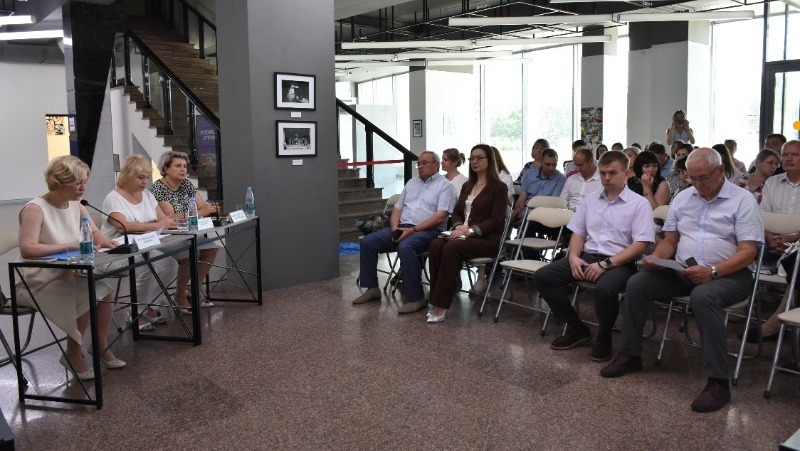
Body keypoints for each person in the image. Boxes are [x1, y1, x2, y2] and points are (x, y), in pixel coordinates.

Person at [601, 148, 763, 413]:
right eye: (692, 178)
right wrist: (656, 258)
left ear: (721, 171)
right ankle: (630, 354)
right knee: (637, 283)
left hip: (730, 274)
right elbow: (671, 241)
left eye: (703, 178)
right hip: (685, 270)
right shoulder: (684, 198)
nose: (697, 185)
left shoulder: (742, 200)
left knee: (704, 296)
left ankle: (718, 382)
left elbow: (748, 252)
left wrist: (713, 271)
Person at [532, 151, 654, 361]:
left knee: (605, 289)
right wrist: (573, 257)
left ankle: (604, 336)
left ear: (627, 173)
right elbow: (579, 233)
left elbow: (641, 245)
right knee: (543, 276)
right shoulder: (591, 200)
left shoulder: (639, 203)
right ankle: (576, 328)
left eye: (612, 173)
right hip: (587, 257)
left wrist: (606, 264)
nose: (607, 178)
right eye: (603, 173)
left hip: (620, 262)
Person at [17, 156, 126, 379]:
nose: (83, 188)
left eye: (84, 182)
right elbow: (28, 249)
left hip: (67, 272)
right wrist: (68, 246)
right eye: (77, 183)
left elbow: (94, 232)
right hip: (37, 278)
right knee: (87, 292)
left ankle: (99, 345)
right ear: (59, 182)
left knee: (104, 291)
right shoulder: (35, 208)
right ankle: (72, 355)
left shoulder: (76, 205)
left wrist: (104, 241)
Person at [352, 151, 456, 313]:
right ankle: (372, 288)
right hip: (402, 227)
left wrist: (413, 230)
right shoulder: (411, 183)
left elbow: (440, 217)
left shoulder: (446, 186)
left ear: (436, 165)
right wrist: (395, 229)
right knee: (367, 242)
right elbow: (397, 209)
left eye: (425, 163)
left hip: (428, 231)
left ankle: (416, 298)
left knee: (406, 247)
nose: (420, 166)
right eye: (418, 163)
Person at [426, 144, 508, 322]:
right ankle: (435, 296)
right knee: (436, 245)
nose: (475, 161)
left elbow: (495, 220)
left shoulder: (499, 187)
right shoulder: (467, 185)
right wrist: (457, 226)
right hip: (461, 235)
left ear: (489, 160)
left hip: (485, 239)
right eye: (472, 158)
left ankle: (440, 304)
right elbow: (456, 212)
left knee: (451, 248)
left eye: (480, 158)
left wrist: (471, 231)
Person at [101, 154, 178, 330]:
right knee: (147, 266)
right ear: (127, 175)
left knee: (170, 264)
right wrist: (156, 225)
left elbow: (162, 218)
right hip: (115, 252)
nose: (145, 182)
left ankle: (151, 306)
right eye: (140, 177)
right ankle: (135, 313)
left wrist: (166, 222)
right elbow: (123, 227)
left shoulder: (148, 195)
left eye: (147, 178)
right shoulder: (114, 198)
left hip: (143, 247)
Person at [741, 140, 800, 343]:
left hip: (796, 243)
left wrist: (792, 238)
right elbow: (762, 216)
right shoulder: (773, 182)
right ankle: (735, 301)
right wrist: (770, 236)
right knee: (739, 246)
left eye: (795, 155)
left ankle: (777, 323)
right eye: (785, 155)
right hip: (771, 242)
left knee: (796, 257)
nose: (788, 159)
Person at [150, 151, 219, 311]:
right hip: (166, 236)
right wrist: (199, 212)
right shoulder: (158, 188)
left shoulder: (186, 184)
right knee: (190, 253)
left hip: (186, 232)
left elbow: (203, 206)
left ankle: (194, 289)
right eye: (178, 166)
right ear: (166, 169)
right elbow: (172, 217)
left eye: (185, 166)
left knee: (211, 248)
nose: (183, 169)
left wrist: (200, 211)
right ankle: (180, 295)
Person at [512, 148, 566, 220]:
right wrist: (518, 209)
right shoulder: (529, 173)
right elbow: (522, 197)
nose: (551, 168)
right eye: (547, 164)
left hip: (546, 211)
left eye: (554, 165)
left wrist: (531, 215)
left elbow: (552, 203)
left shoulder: (560, 178)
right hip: (527, 208)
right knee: (513, 216)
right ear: (541, 162)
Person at [560, 147, 601, 211]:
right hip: (569, 214)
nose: (578, 169)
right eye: (576, 165)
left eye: (580, 165)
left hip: (591, 214)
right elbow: (562, 201)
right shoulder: (571, 179)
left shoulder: (603, 180)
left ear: (591, 161)